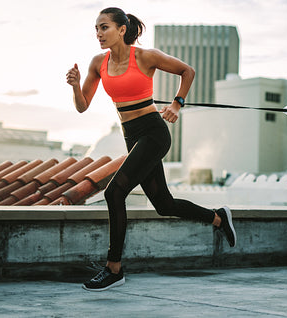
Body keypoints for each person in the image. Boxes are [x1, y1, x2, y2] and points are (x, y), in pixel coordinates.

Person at [66, 7, 236, 292]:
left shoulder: (145, 56)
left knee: (114, 192)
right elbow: (83, 106)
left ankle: (114, 268)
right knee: (164, 205)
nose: (98, 33)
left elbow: (187, 71)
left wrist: (176, 104)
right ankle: (218, 217)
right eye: (96, 28)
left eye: (104, 27)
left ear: (122, 29)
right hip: (131, 137)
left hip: (154, 133)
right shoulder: (98, 63)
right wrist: (74, 86)